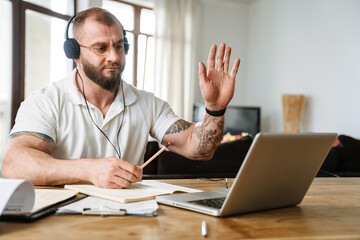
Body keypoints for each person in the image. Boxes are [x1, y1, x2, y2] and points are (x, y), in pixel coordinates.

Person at [1, 7, 240, 189]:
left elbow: (199, 148)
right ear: (73, 53)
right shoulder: (45, 101)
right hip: (60, 221)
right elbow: (13, 164)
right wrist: (88, 170)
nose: (114, 56)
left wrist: (215, 108)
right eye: (101, 48)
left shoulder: (147, 103)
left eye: (119, 45)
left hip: (129, 220)